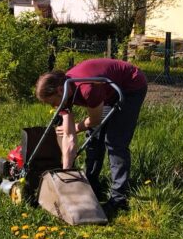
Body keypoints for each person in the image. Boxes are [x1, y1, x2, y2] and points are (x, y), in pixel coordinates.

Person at [34, 58, 148, 217]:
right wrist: (65, 175)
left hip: (130, 86)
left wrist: (77, 127)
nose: (54, 107)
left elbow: (94, 120)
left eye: (53, 102)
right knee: (94, 138)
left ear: (59, 90)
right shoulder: (65, 91)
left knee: (115, 142)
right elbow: (68, 137)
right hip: (107, 89)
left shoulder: (87, 88)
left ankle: (119, 199)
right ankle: (91, 185)